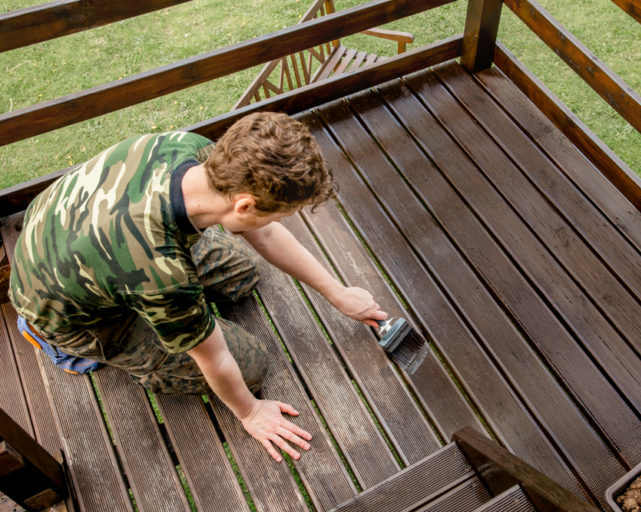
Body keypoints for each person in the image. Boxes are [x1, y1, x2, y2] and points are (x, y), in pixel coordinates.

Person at [9, 112, 388, 463]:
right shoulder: (161, 273)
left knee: (240, 273)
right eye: (282, 212)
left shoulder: (195, 149)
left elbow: (266, 233)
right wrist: (251, 412)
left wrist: (337, 292)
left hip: (74, 230)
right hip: (70, 312)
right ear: (243, 204)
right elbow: (213, 359)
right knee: (249, 365)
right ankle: (55, 342)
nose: (282, 221)